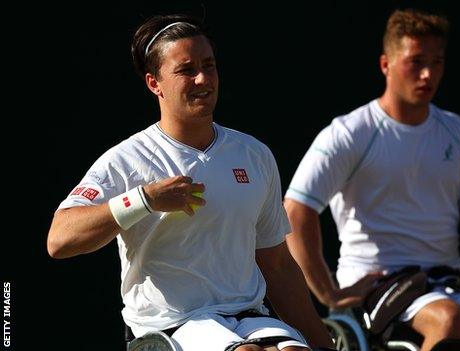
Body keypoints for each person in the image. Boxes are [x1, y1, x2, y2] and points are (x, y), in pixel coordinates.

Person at [46, 14, 334, 351]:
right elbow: (60, 239)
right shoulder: (126, 160)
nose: (203, 79)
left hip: (250, 319)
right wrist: (144, 199)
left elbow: (278, 265)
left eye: (209, 66)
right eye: (186, 70)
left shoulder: (253, 154)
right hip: (169, 327)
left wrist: (323, 345)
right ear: (155, 83)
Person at [284, 9, 460, 351]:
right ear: (386, 65)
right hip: (376, 282)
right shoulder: (350, 134)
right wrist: (328, 293)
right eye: (416, 62)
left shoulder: (459, 132)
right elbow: (295, 211)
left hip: (447, 276)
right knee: (447, 318)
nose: (428, 74)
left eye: (437, 62)